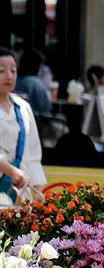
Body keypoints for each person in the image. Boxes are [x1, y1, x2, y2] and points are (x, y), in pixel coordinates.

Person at [0, 47, 46, 203]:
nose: (8, 76)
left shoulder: (23, 106)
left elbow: (33, 153)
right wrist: (11, 171)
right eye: (1, 71)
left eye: (13, 71)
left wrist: (38, 190)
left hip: (22, 196)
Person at [15, 48, 52, 114]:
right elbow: (45, 108)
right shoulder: (36, 83)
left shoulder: (14, 80)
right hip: (35, 120)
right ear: (36, 65)